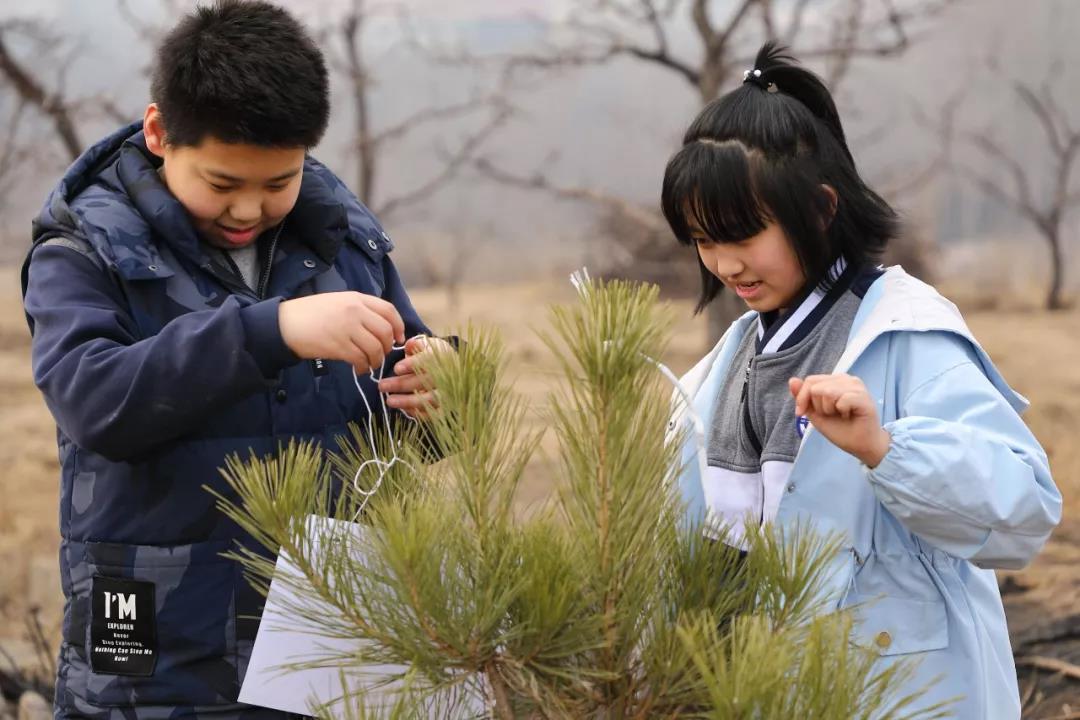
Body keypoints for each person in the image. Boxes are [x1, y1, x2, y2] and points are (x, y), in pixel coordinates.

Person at [22, 2, 445, 717]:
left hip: (332, 646)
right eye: (222, 184)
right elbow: (95, 402)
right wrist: (270, 332)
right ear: (159, 133)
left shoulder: (343, 240)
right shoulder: (83, 251)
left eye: (278, 183)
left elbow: (398, 404)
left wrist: (440, 390)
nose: (249, 209)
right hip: (159, 665)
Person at [662, 42, 1061, 718]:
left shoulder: (906, 335)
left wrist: (886, 450)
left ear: (821, 208)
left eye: (743, 234)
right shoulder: (722, 366)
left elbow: (1024, 510)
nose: (725, 264)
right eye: (704, 239)